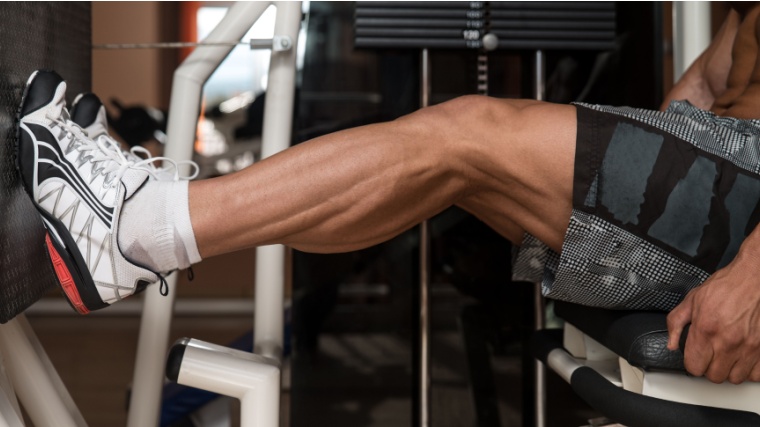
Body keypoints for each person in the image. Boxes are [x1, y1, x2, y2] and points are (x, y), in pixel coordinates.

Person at [14, 4, 760, 385]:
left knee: (463, 135)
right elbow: (701, 95)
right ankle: (145, 222)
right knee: (447, 163)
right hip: (725, 176)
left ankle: (139, 227)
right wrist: (636, 170)